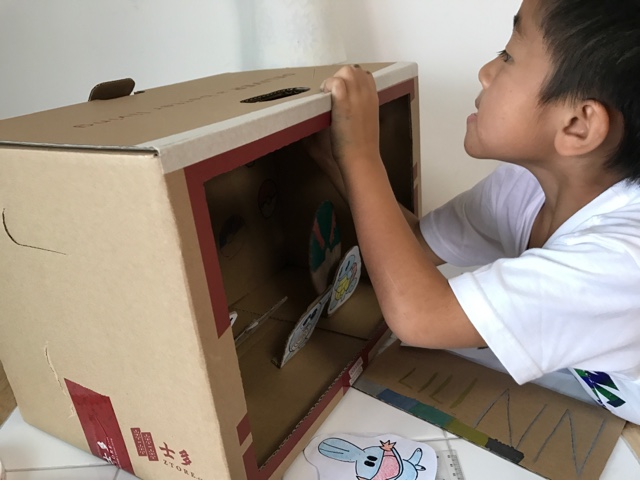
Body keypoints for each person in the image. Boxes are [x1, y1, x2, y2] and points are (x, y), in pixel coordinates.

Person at [309, 0, 640, 424]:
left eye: (508, 56)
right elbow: (414, 245)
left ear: (578, 125)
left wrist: (361, 155)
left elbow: (420, 316)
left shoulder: (618, 262)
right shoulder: (524, 187)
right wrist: (336, 161)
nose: (485, 71)